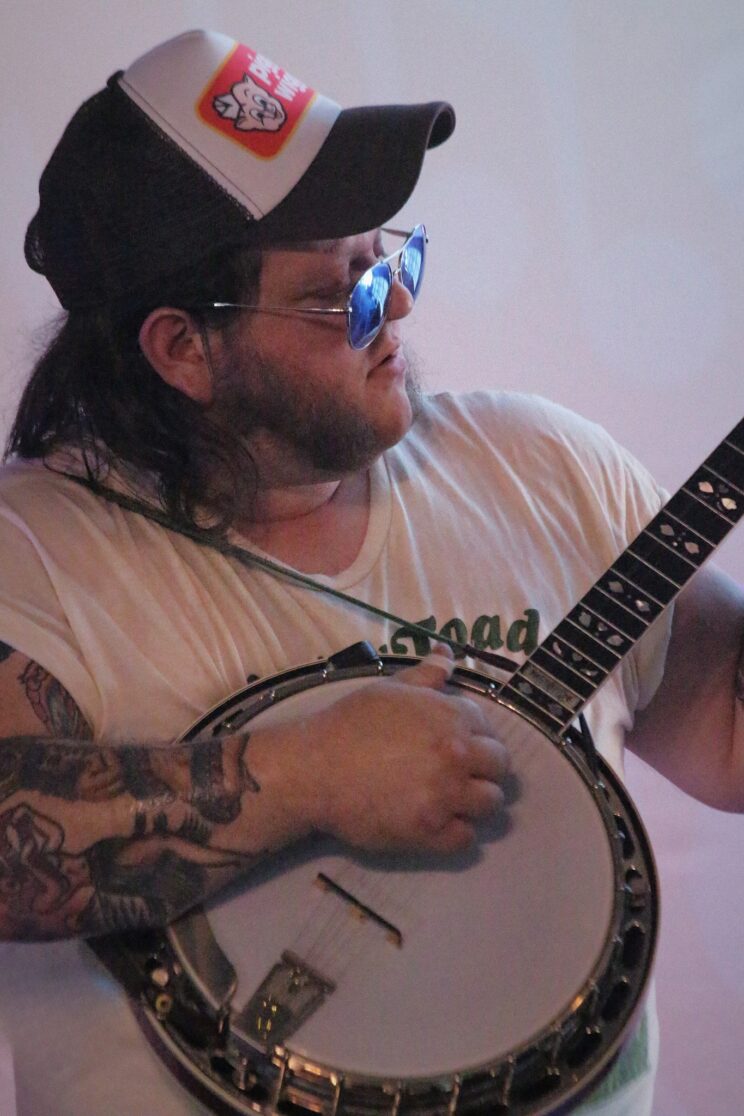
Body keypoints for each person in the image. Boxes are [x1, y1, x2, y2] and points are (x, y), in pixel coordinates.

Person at [0, 27, 742, 1116]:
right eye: (338, 289)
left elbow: (726, 733)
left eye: (390, 256)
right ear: (181, 350)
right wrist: (306, 778)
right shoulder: (38, 553)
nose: (394, 308)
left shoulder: (542, 465)